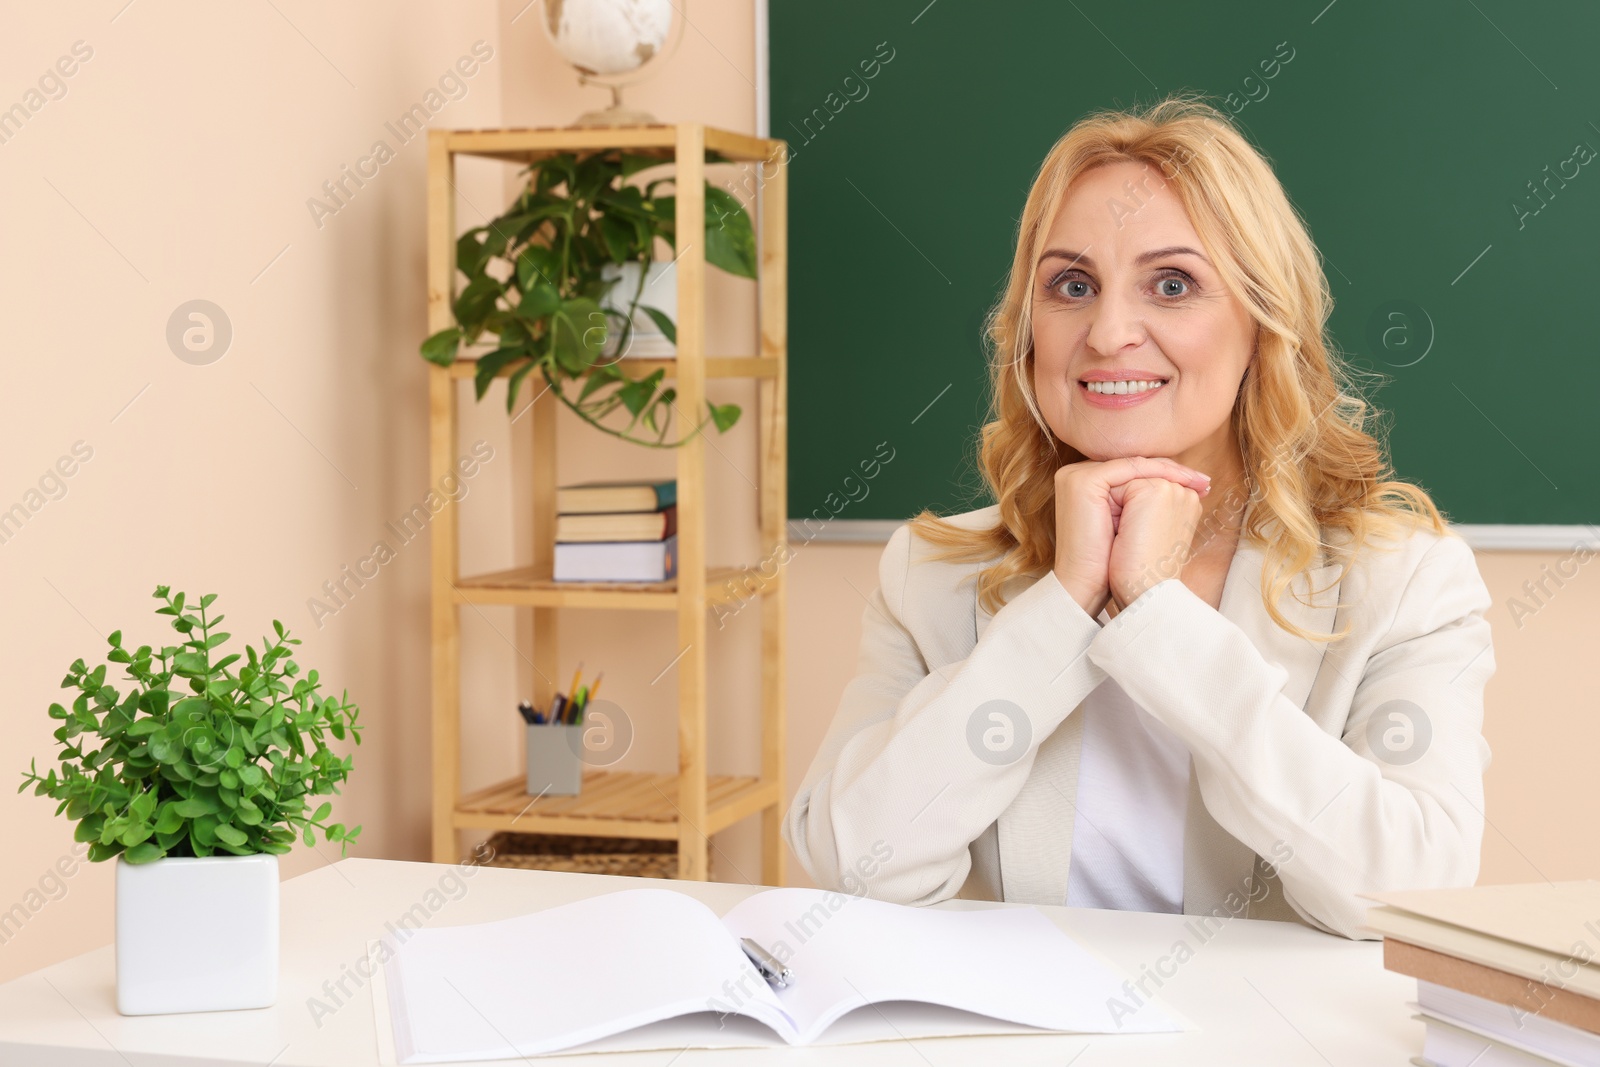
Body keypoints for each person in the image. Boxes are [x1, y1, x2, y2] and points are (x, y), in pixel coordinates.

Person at [782, 95, 1495, 940]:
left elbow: (1410, 892)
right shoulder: (931, 573)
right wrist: (1063, 606)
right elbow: (853, 859)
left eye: (1172, 284)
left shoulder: (1403, 581)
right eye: (1072, 285)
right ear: (1028, 333)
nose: (1109, 331)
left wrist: (1157, 616)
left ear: (1262, 327)